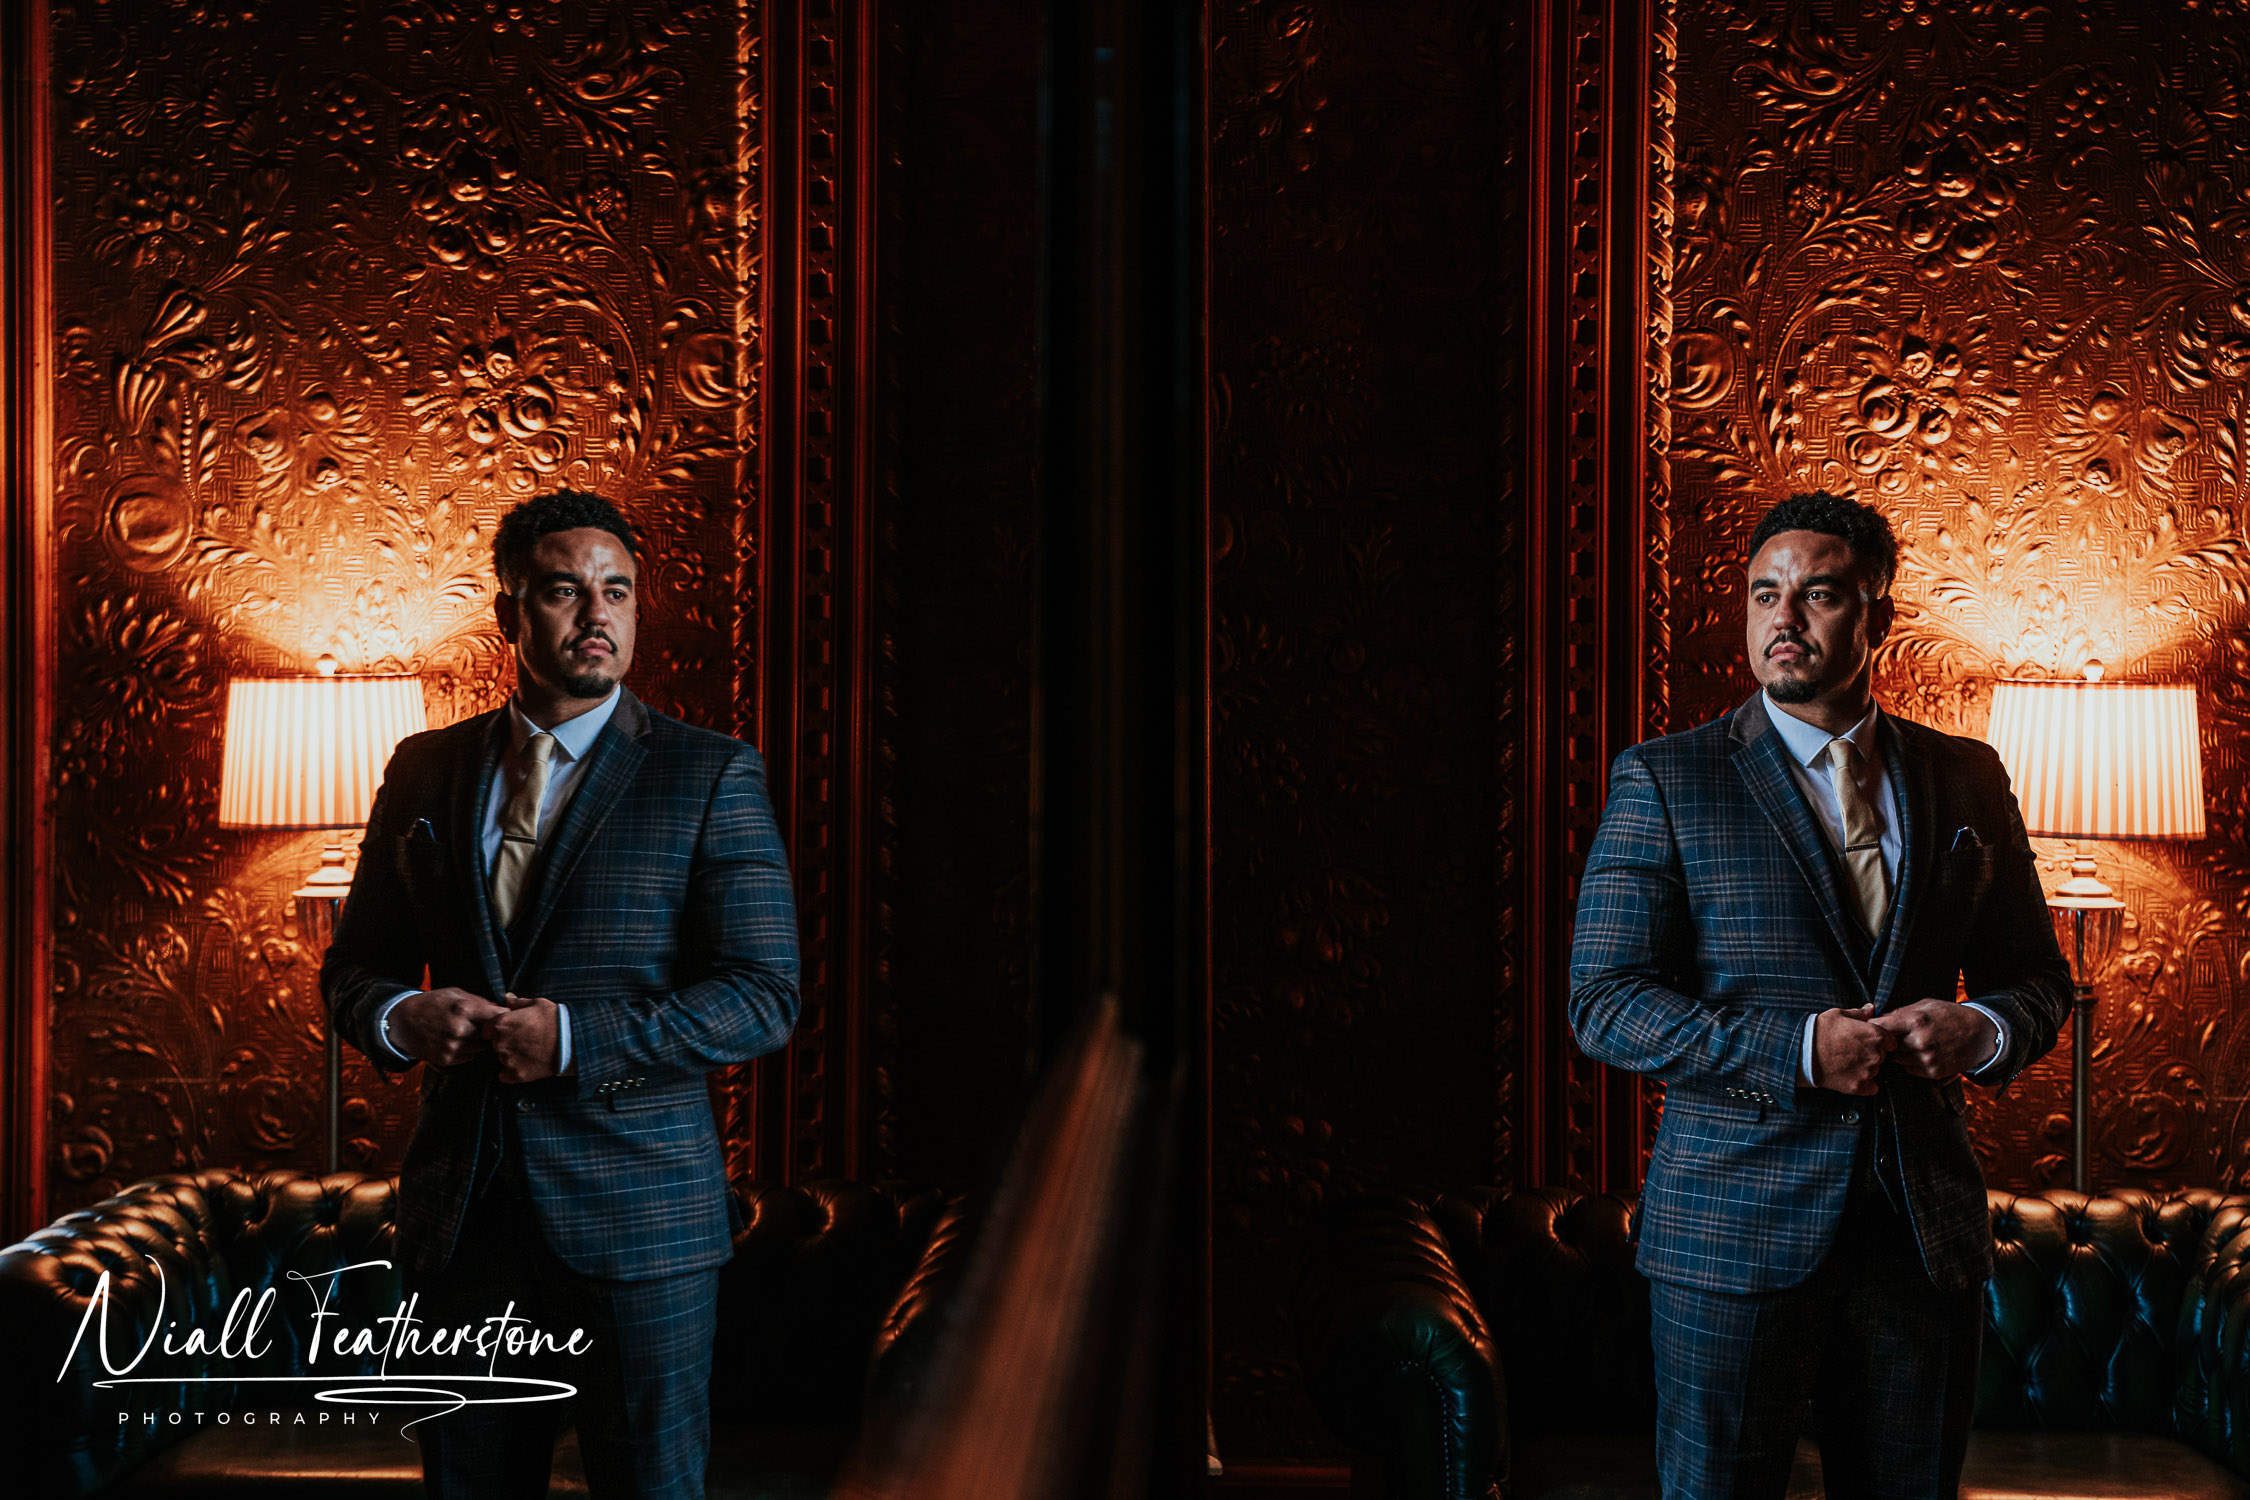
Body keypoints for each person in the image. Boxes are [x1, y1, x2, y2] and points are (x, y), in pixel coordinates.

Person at [1568, 491, 2071, 1499]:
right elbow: (1606, 1000)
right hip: (1732, 1233)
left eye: (1819, 593)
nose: (1784, 617)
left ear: (1877, 619)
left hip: (1918, 1237)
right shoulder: (1670, 780)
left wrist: (1980, 1029)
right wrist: (1797, 1050)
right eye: (1765, 593)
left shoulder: (1967, 777)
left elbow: (2038, 982)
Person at [323, 489, 801, 1500]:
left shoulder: (708, 775)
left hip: (641, 1224)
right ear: (509, 614)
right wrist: (397, 1016)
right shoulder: (425, 770)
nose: (597, 615)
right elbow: (355, 967)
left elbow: (763, 995)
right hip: (464, 1224)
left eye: (617, 591)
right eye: (563, 591)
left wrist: (577, 1039)